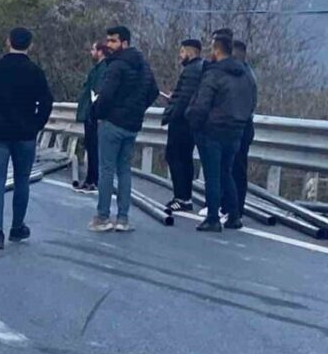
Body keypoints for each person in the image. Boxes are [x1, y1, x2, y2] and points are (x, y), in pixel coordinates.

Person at [0, 27, 54, 250]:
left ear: (8, 42)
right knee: (22, 180)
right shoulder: (35, 72)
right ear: (30, 45)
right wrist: (37, 124)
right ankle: (17, 227)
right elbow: (47, 102)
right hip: (25, 133)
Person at [89, 26, 159, 232]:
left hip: (112, 123)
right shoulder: (143, 65)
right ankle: (123, 218)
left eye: (113, 41)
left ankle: (102, 217)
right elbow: (153, 90)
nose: (109, 45)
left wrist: (97, 112)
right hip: (132, 124)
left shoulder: (116, 66)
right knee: (124, 171)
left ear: (124, 43)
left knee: (106, 170)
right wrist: (137, 109)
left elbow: (106, 95)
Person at [185, 35, 257, 232]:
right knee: (227, 173)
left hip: (213, 131)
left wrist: (193, 121)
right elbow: (251, 103)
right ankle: (234, 215)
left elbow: (202, 104)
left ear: (217, 50)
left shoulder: (213, 74)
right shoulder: (245, 75)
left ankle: (213, 218)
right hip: (236, 131)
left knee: (213, 176)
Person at [161, 39, 204, 212]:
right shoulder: (199, 68)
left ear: (190, 52)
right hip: (189, 121)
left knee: (176, 157)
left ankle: (182, 197)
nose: (180, 56)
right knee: (184, 158)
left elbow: (185, 98)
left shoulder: (192, 71)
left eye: (182, 52)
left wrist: (172, 113)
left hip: (182, 123)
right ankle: (184, 197)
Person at [223, 40, 258, 216]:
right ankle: (235, 207)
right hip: (245, 125)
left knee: (234, 168)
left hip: (238, 126)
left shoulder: (240, 76)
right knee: (238, 167)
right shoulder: (249, 74)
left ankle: (233, 207)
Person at [74, 40, 109, 192]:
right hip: (90, 114)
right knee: (91, 147)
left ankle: (92, 180)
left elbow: (96, 92)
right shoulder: (97, 69)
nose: (91, 53)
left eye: (94, 50)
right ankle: (91, 179)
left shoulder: (102, 70)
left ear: (100, 52)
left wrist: (92, 112)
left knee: (94, 148)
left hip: (93, 115)